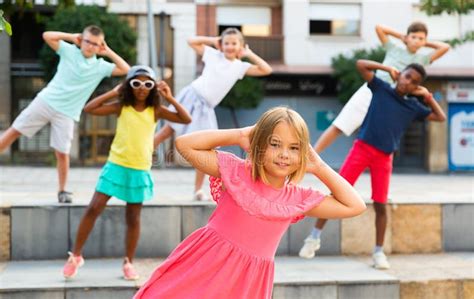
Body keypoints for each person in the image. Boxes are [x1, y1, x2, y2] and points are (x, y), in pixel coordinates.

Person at [134, 106, 366, 298]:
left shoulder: (296, 198)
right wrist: (239, 135)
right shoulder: (236, 172)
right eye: (274, 144)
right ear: (258, 145)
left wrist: (319, 166)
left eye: (294, 148)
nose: (284, 154)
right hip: (204, 266)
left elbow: (354, 205)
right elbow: (185, 145)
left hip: (246, 284)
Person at [299, 60, 446, 269]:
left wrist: (428, 97)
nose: (408, 82)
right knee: (337, 193)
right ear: (400, 74)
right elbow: (360, 65)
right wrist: (388, 70)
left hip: (384, 157)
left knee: (380, 204)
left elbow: (440, 117)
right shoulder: (381, 88)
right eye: (407, 76)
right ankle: (314, 237)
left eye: (414, 81)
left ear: (416, 87)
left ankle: (378, 252)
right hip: (362, 149)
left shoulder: (412, 106)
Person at [62, 66, 191, 280]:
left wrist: (170, 97)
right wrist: (114, 92)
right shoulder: (122, 106)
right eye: (136, 83)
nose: (141, 88)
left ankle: (128, 262)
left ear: (153, 88)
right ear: (129, 85)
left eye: (148, 84)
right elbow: (90, 108)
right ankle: (75, 256)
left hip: (139, 169)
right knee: (94, 208)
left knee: (133, 217)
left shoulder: (155, 110)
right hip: (116, 165)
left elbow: (186, 119)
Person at [0, 25, 130, 203]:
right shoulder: (70, 51)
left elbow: (126, 70)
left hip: (67, 113)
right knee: (14, 131)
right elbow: (47, 36)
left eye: (95, 44)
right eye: (87, 41)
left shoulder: (101, 66)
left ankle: (63, 191)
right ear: (81, 40)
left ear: (100, 46)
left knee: (62, 153)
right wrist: (71, 36)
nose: (90, 46)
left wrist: (108, 52)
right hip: (45, 101)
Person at [153, 27, 272, 201]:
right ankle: (136, 158)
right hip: (193, 96)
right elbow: (191, 40)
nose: (230, 46)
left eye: (234, 43)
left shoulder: (239, 66)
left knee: (205, 147)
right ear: (221, 44)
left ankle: (197, 190)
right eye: (226, 43)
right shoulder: (213, 55)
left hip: (206, 107)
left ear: (240, 45)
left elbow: (266, 69)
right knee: (166, 131)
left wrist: (249, 54)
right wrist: (213, 40)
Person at [314, 21, 450, 153]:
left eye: (421, 38)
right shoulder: (393, 49)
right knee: (340, 124)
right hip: (373, 89)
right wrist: (401, 37)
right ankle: (310, 156)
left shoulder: (422, 59)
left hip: (392, 100)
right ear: (407, 37)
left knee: (383, 138)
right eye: (414, 37)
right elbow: (379, 28)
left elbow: (445, 47)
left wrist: (425, 43)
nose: (416, 40)